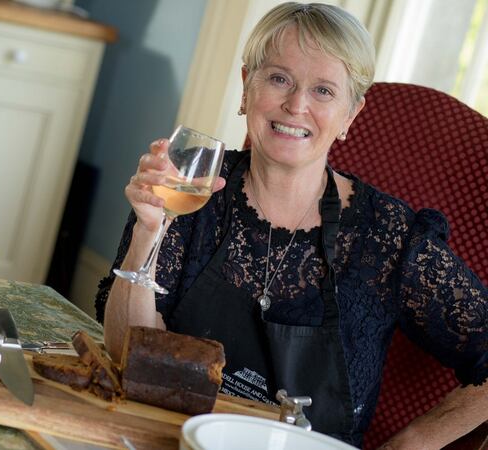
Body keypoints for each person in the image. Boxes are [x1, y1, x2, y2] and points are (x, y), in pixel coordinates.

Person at [95, 2, 488, 449]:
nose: (296, 104)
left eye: (323, 91)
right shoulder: (190, 187)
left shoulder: (389, 237)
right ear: (247, 86)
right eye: (279, 78)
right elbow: (127, 350)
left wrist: (413, 442)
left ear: (351, 114)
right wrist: (149, 231)